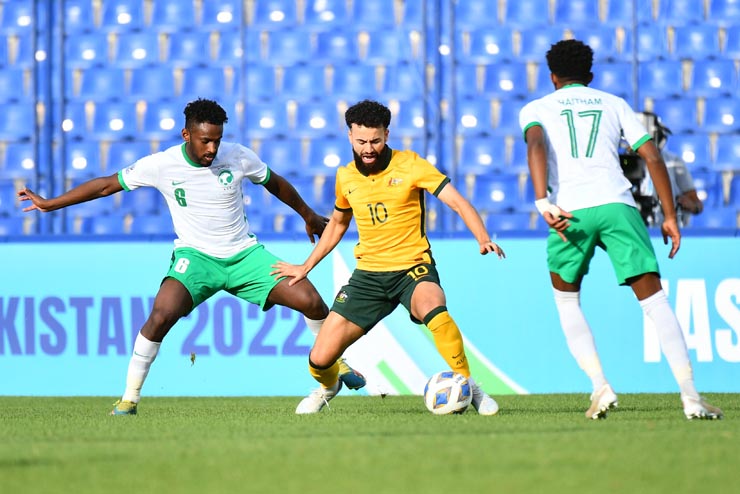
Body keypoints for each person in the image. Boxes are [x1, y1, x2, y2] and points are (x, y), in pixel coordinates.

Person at [18, 98, 365, 415]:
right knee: (161, 315)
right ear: (187, 134)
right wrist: (50, 203)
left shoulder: (238, 155)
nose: (212, 148)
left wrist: (306, 213)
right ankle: (129, 398)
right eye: (205, 141)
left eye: (217, 140)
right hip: (196, 258)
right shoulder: (162, 164)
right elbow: (108, 184)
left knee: (310, 300)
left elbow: (274, 182)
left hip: (244, 255)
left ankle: (337, 367)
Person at [519, 39, 722, 420]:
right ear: (590, 76)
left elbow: (535, 144)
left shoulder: (536, 108)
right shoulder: (614, 103)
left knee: (566, 300)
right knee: (655, 301)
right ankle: (691, 397)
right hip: (617, 205)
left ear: (552, 77)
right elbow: (651, 155)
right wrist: (670, 215)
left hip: (570, 211)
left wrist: (542, 201)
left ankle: (600, 386)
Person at [271, 99, 506, 415]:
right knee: (320, 358)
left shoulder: (411, 165)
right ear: (350, 137)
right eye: (361, 141)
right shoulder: (346, 177)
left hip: (413, 269)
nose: (368, 148)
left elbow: (458, 202)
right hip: (368, 277)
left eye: (376, 141)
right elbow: (338, 223)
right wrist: (306, 265)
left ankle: (468, 386)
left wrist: (483, 238)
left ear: (387, 135)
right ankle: (329, 385)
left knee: (436, 313)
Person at [632, 111, 703, 227]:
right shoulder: (621, 161)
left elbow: (697, 204)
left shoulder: (673, 161)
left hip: (665, 228)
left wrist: (689, 205)